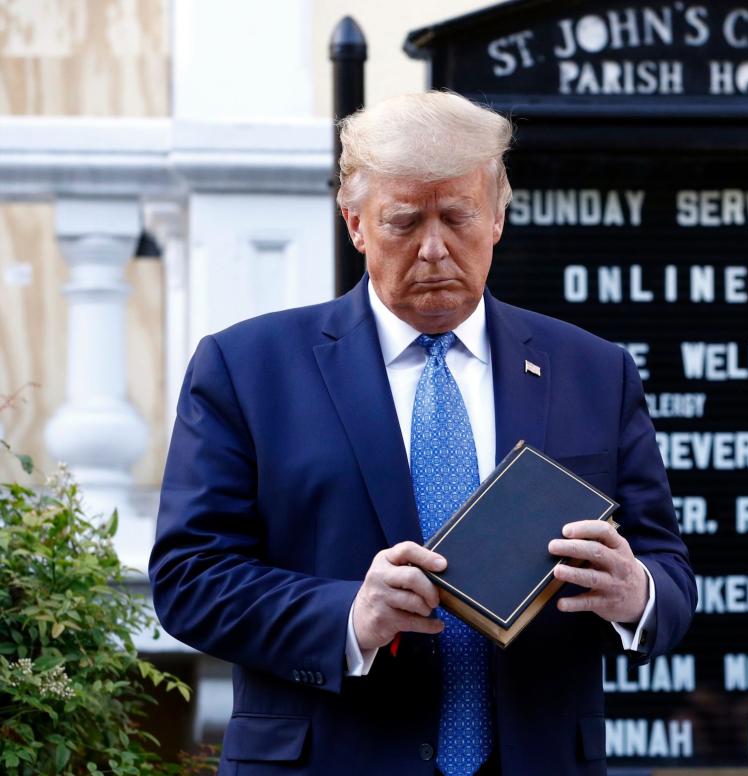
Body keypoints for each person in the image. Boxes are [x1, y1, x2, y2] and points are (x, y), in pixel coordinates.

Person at [149, 91, 695, 776]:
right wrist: (348, 613)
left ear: (496, 217)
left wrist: (637, 593)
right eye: (404, 222)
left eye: (458, 217)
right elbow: (189, 578)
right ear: (355, 223)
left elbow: (670, 572)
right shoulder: (247, 369)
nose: (433, 248)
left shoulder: (593, 370)